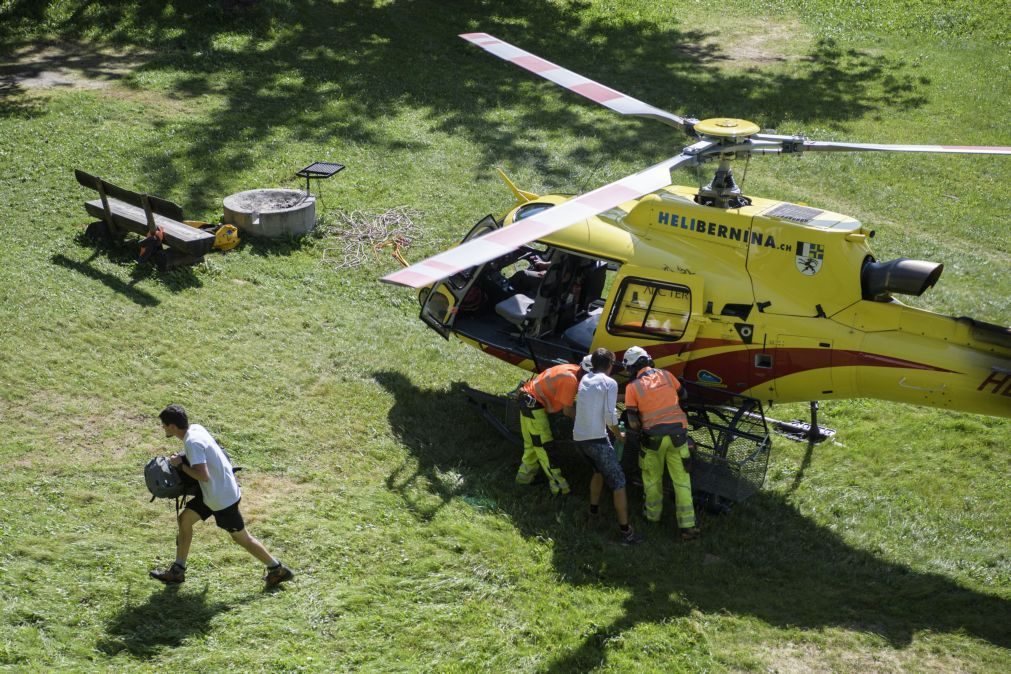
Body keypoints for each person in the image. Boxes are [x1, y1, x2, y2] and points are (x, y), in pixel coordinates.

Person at [149, 404, 294, 586]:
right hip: (213, 492)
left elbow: (203, 475)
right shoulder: (196, 429)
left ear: (172, 426)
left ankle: (277, 569)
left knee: (241, 538)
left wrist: (180, 465)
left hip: (221, 499)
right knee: (185, 519)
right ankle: (178, 571)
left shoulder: (192, 443)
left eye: (164, 424)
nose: (163, 427)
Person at [622, 346, 700, 540]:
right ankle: (688, 527)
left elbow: (632, 421)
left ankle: (652, 517)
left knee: (652, 479)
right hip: (678, 438)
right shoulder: (667, 375)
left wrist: (639, 430)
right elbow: (683, 395)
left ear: (631, 367)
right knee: (682, 482)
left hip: (652, 441)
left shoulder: (632, 387)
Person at [573, 348, 642, 545]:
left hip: (580, 438)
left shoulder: (585, 379)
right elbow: (610, 414)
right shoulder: (609, 382)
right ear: (610, 365)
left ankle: (593, 513)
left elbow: (599, 398)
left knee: (598, 471)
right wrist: (618, 435)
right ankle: (626, 532)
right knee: (619, 482)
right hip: (597, 441)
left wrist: (624, 397)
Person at [515, 360, 585, 495]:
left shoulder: (573, 369)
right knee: (545, 447)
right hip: (533, 406)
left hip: (526, 400)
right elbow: (568, 411)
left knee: (532, 444)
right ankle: (560, 488)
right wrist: (582, 422)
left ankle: (523, 479)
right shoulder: (571, 381)